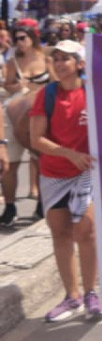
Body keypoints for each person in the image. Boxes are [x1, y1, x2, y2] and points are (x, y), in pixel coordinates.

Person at [30, 40, 102, 322]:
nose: (59, 64)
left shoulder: (92, 93)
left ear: (79, 64)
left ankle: (91, 294)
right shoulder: (46, 95)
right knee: (60, 233)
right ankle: (71, 297)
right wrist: (67, 153)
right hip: (53, 174)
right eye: (56, 58)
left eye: (66, 59)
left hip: (85, 173)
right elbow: (37, 139)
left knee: (86, 231)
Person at [2, 25, 51, 226]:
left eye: (22, 38)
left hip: (40, 109)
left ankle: (42, 203)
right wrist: (20, 86)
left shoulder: (46, 58)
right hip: (14, 108)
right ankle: (10, 206)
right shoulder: (13, 61)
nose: (19, 42)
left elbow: (56, 81)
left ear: (32, 37)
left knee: (41, 161)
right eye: (16, 39)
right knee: (10, 163)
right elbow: (7, 84)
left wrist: (40, 88)